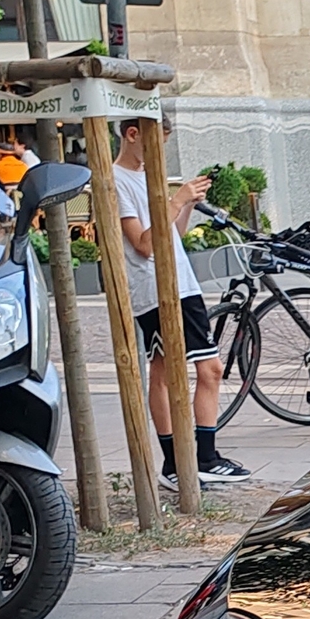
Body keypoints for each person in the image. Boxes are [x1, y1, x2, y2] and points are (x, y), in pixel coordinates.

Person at [113, 115, 249, 488]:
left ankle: (182, 462)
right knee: (204, 370)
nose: (160, 153)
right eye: (156, 143)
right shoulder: (116, 181)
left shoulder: (144, 177)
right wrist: (176, 199)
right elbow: (143, 244)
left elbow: (171, 236)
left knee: (171, 371)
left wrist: (186, 204)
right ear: (132, 134)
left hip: (176, 283)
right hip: (157, 289)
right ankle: (197, 459)